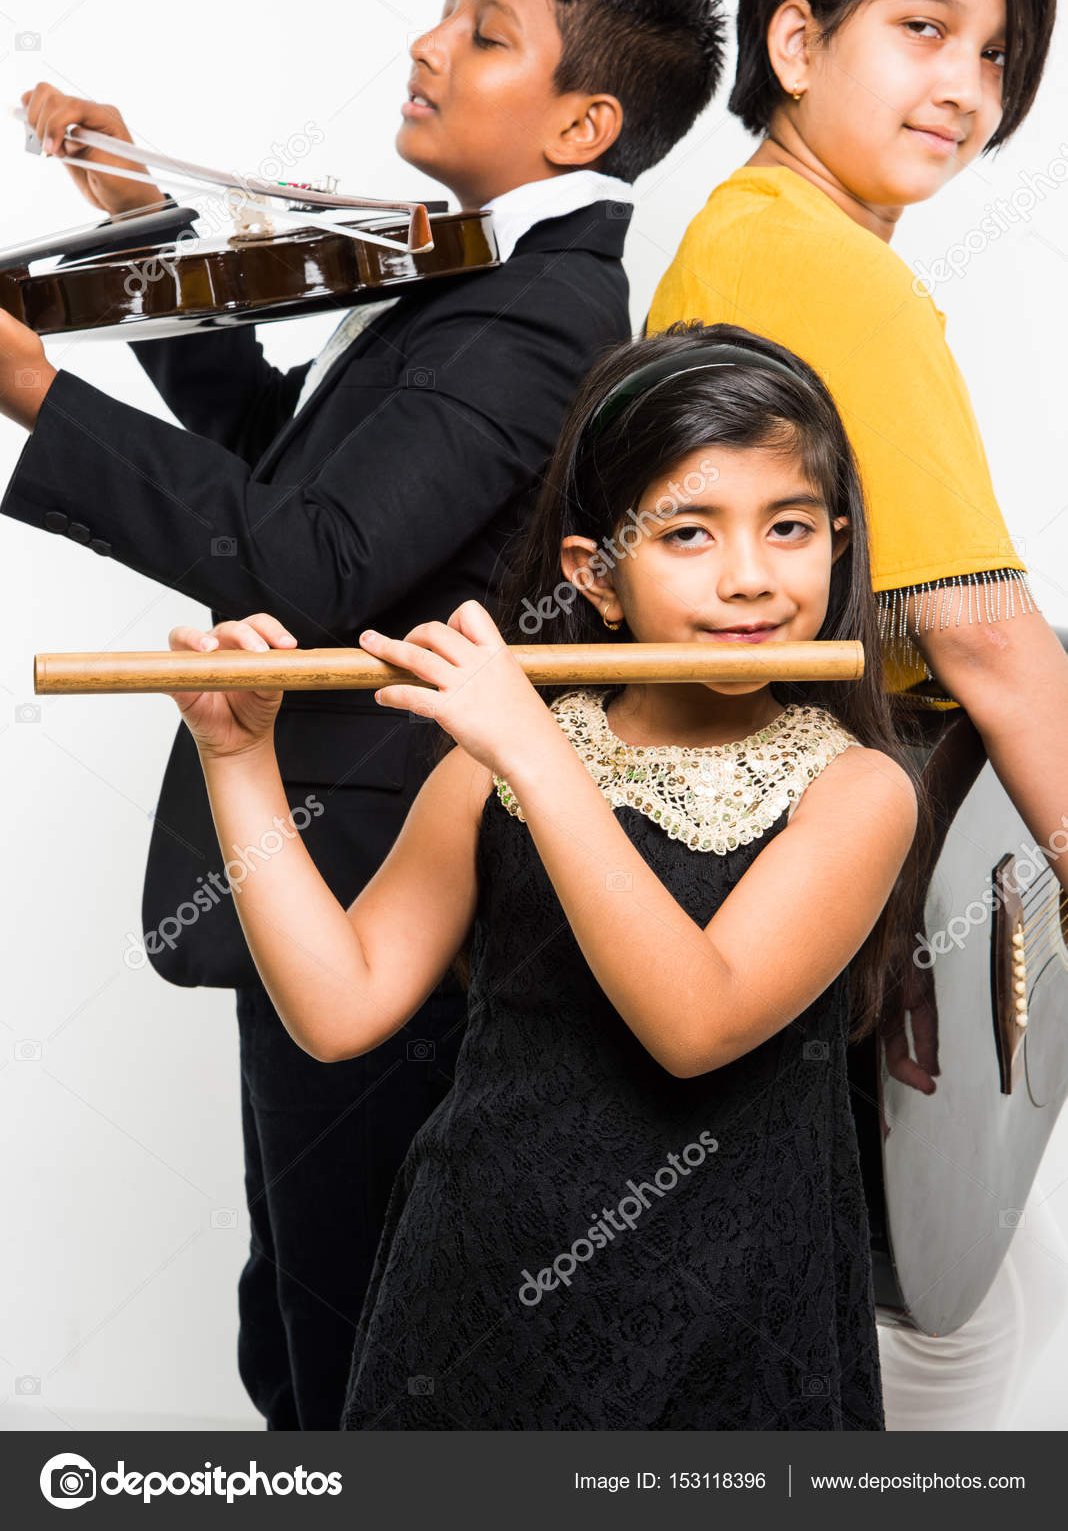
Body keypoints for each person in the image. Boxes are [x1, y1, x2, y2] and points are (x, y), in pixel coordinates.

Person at [0, 0, 726, 1428]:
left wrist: (35, 402)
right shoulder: (476, 271)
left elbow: (307, 565)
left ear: (584, 121)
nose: (427, 45)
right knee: (308, 1334)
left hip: (386, 895)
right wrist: (134, 210)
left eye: (484, 29)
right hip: (330, 890)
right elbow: (286, 473)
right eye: (443, 6)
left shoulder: (543, 312)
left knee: (356, 1356)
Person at [162, 321, 919, 1430]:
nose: (750, 577)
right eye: (689, 535)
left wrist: (533, 752)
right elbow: (338, 1006)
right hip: (479, 1291)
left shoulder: (857, 790)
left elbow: (694, 1018)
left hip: (737, 1314)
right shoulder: (493, 759)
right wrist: (240, 761)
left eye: (790, 528)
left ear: (836, 547)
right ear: (596, 578)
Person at [646, 0, 1068, 1428]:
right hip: (821, 867)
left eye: (998, 53)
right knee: (929, 1335)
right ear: (799, 41)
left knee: (960, 1307)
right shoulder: (821, 266)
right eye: (927, 30)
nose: (968, 86)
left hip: (774, 857)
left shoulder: (750, 234)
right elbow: (985, 640)